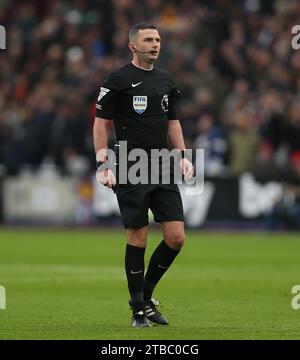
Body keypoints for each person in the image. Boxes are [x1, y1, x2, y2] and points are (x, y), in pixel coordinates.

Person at [93, 23, 194, 328]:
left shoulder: (166, 80)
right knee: (138, 237)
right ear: (133, 46)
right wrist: (103, 163)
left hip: (161, 163)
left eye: (158, 39)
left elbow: (173, 122)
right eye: (148, 39)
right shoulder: (118, 80)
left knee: (176, 238)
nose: (155, 44)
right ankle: (138, 310)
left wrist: (183, 156)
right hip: (129, 164)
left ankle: (145, 297)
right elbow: (100, 124)